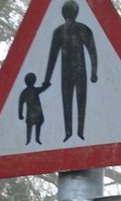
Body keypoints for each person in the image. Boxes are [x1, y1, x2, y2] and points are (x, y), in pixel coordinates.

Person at [41, 0, 98, 141]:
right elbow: (53, 57)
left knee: (78, 102)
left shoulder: (80, 30)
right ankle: (70, 133)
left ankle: (78, 132)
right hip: (70, 74)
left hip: (77, 73)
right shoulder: (60, 32)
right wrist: (47, 79)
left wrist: (94, 72)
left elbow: (92, 52)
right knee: (70, 102)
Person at [17, 72, 45, 144]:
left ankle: (35, 139)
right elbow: (21, 104)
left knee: (34, 125)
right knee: (31, 126)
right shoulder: (27, 91)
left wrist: (20, 114)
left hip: (35, 112)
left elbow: (21, 104)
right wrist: (20, 114)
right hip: (34, 113)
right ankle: (29, 140)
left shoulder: (25, 92)